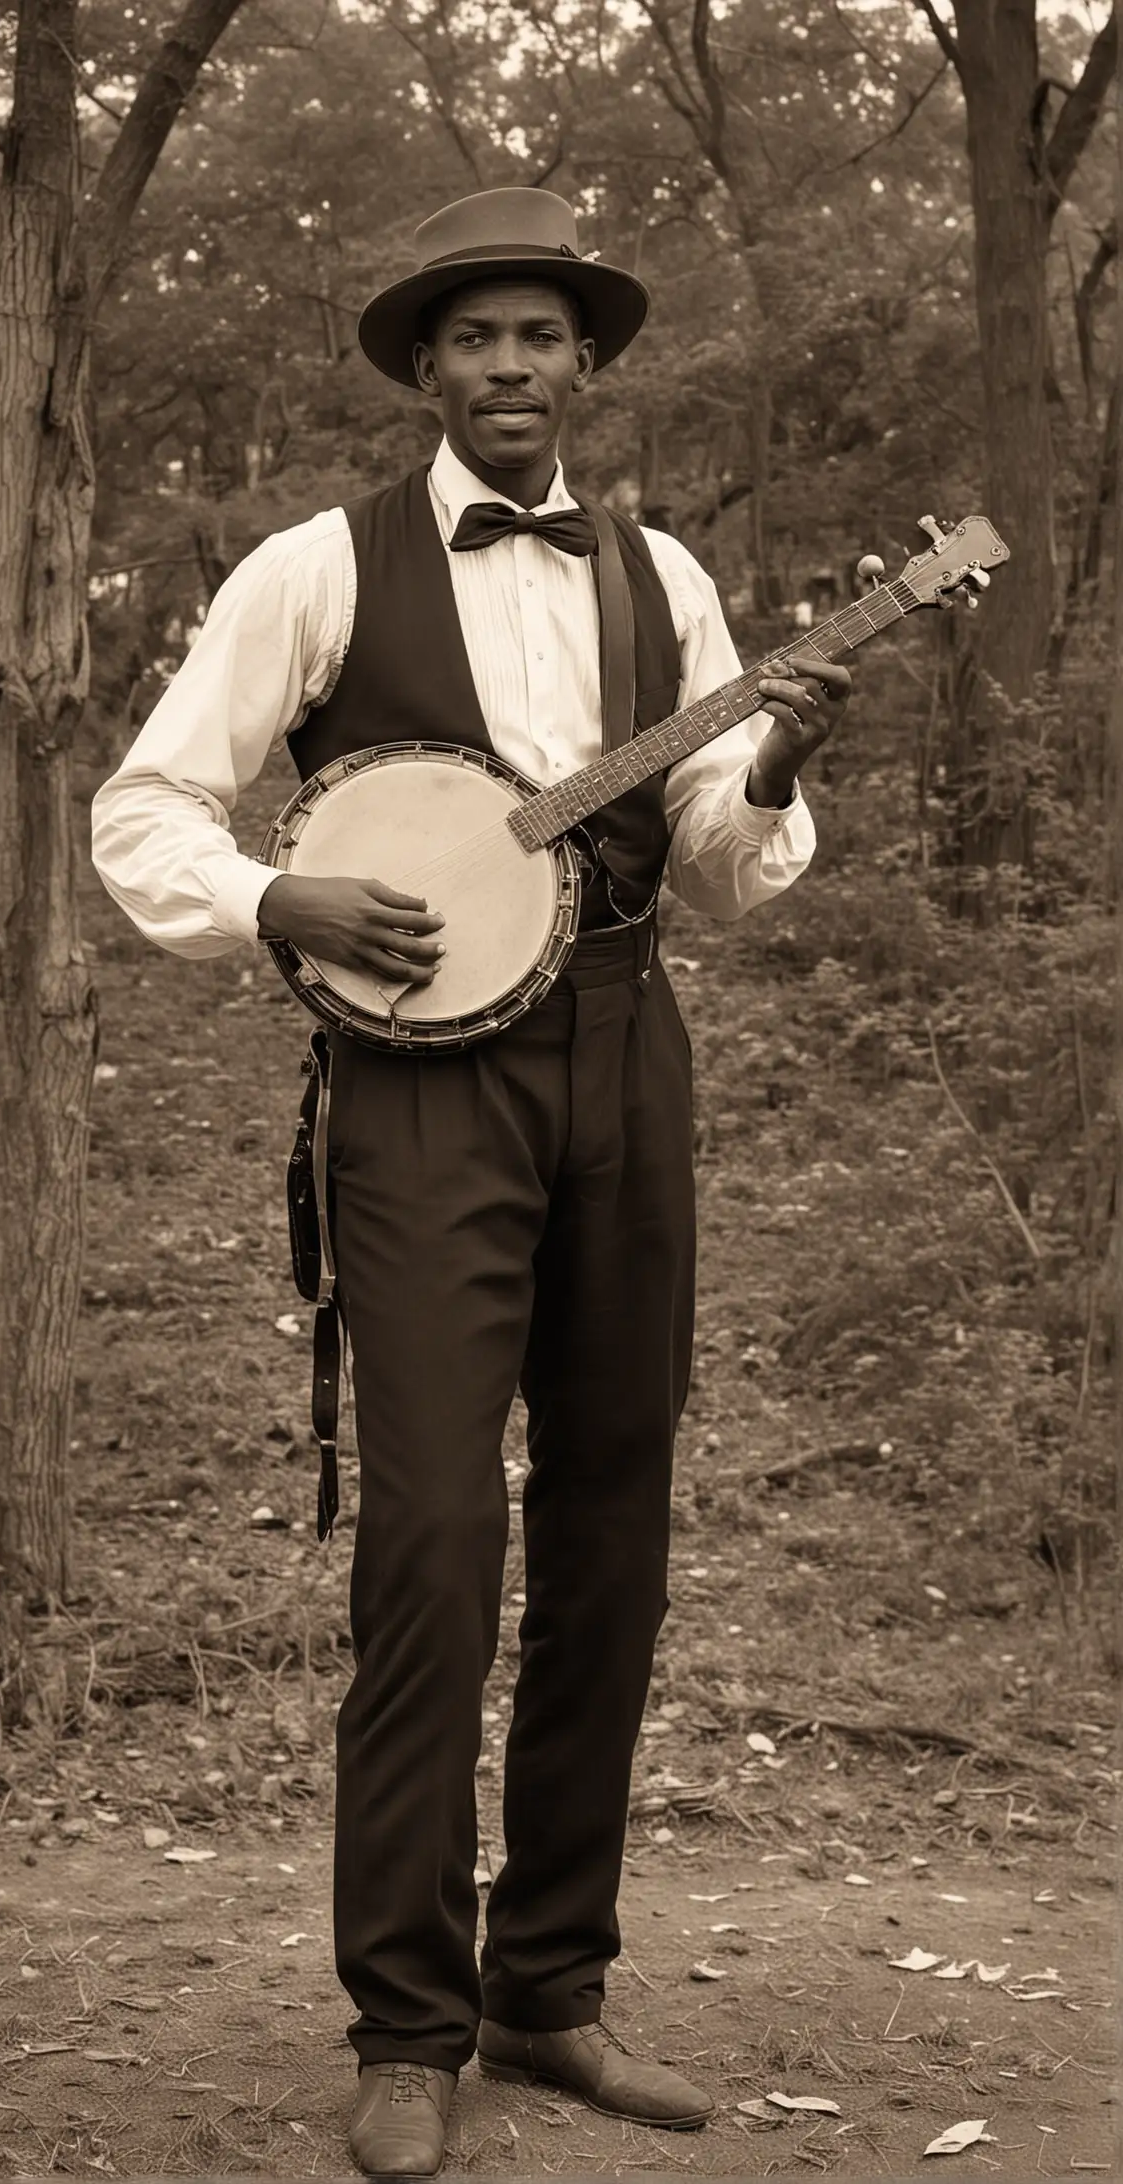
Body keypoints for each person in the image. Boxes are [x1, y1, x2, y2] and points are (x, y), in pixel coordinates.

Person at [92, 187, 853, 2179]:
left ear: (584, 368)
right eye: (477, 340)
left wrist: (765, 769)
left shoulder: (661, 576)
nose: (512, 369)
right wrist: (277, 891)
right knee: (432, 1540)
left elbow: (713, 853)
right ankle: (406, 2021)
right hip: (420, 1096)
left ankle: (550, 1990)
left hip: (626, 1055)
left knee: (616, 1533)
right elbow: (148, 803)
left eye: (543, 339)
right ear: (429, 370)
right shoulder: (313, 571)